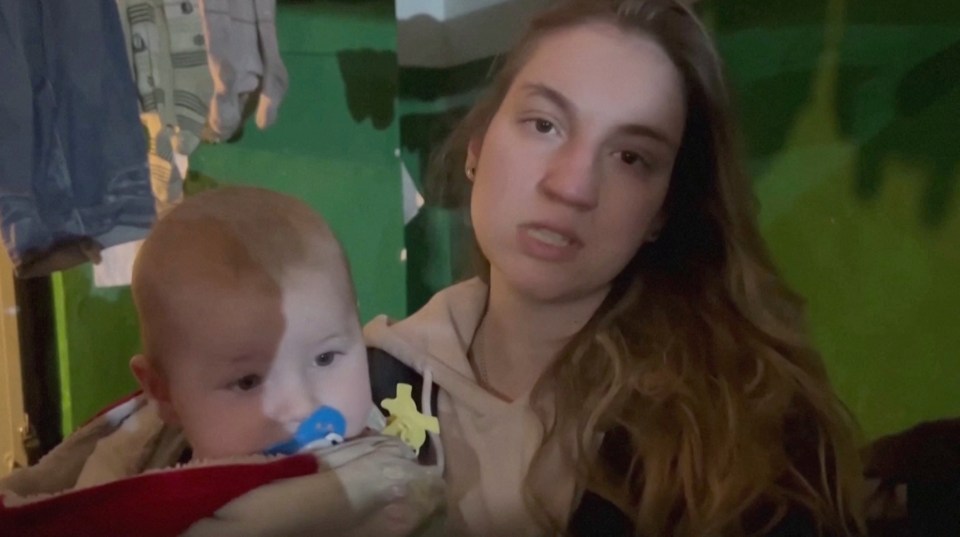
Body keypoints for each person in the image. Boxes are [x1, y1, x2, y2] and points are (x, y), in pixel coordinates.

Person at [363, 0, 865, 535]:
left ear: (662, 210)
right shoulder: (361, 387)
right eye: (544, 124)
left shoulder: (748, 428)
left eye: (630, 157)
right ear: (477, 146)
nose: (572, 186)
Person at [0, 186, 442, 536]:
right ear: (163, 393)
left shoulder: (392, 492)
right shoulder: (133, 486)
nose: (300, 404)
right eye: (248, 381)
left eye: (326, 357)